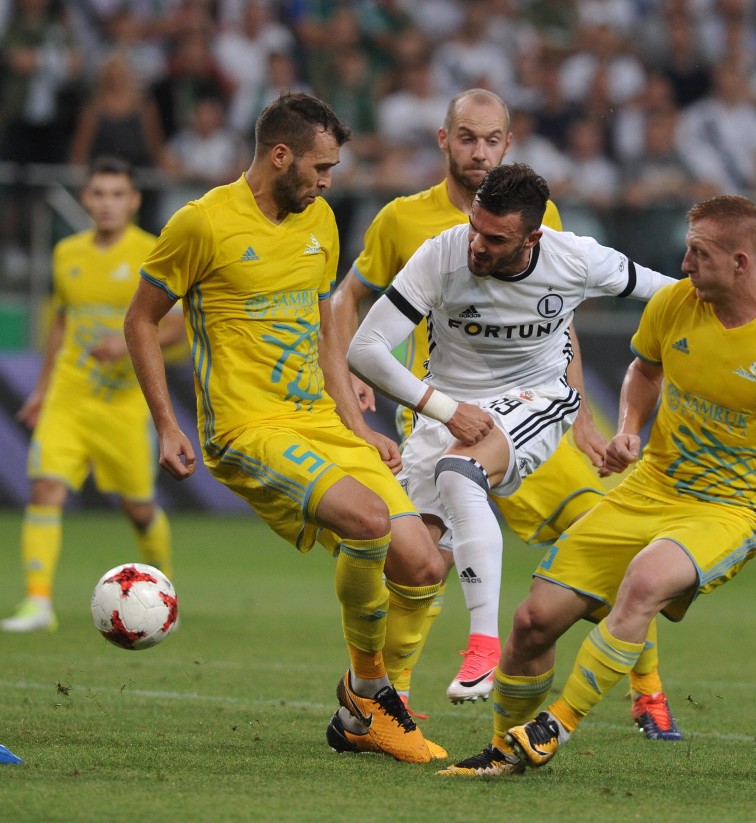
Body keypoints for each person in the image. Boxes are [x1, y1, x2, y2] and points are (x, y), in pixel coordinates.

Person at [439, 194, 756, 777]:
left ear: (741, 262)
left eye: (698, 253)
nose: (683, 264)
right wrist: (628, 429)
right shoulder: (677, 304)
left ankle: (559, 725)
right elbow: (644, 370)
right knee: (532, 623)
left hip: (724, 511)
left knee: (646, 580)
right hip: (646, 490)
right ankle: (502, 753)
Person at [331, 88, 682, 742]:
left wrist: (579, 416)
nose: (480, 151)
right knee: (414, 560)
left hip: (530, 408)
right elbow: (348, 306)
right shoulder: (413, 227)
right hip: (443, 408)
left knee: (595, 538)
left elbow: (560, 313)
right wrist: (357, 392)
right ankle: (383, 698)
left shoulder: (548, 228)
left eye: (493, 139)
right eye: (468, 137)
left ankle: (647, 691)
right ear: (444, 139)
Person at [123, 92, 446, 765]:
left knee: (422, 563)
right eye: (320, 166)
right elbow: (140, 320)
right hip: (247, 428)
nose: (328, 180)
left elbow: (326, 327)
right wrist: (165, 421)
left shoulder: (320, 220)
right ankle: (372, 695)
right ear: (280, 155)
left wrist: (356, 423)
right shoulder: (201, 223)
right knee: (367, 522)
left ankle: (362, 707)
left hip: (318, 422)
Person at [1, 156, 183, 634]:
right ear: (86, 199)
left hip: (123, 404)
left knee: (139, 508)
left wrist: (130, 341)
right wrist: (41, 389)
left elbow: (182, 326)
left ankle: (164, 590)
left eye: (117, 195)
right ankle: (38, 603)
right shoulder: (67, 253)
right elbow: (62, 322)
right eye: (98, 194)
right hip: (69, 396)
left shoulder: (154, 253)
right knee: (45, 489)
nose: (107, 204)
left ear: (134, 201)